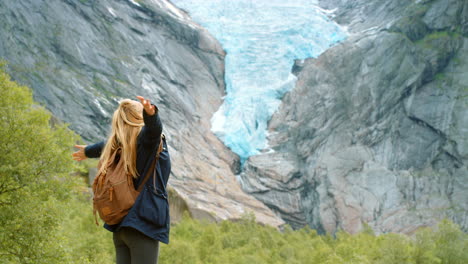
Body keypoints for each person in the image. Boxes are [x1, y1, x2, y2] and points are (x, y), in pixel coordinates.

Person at [72, 96, 171, 264]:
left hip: (121, 229)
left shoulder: (121, 145)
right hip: (142, 227)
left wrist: (88, 151)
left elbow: (107, 144)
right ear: (139, 118)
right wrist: (151, 116)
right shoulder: (145, 144)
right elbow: (153, 132)